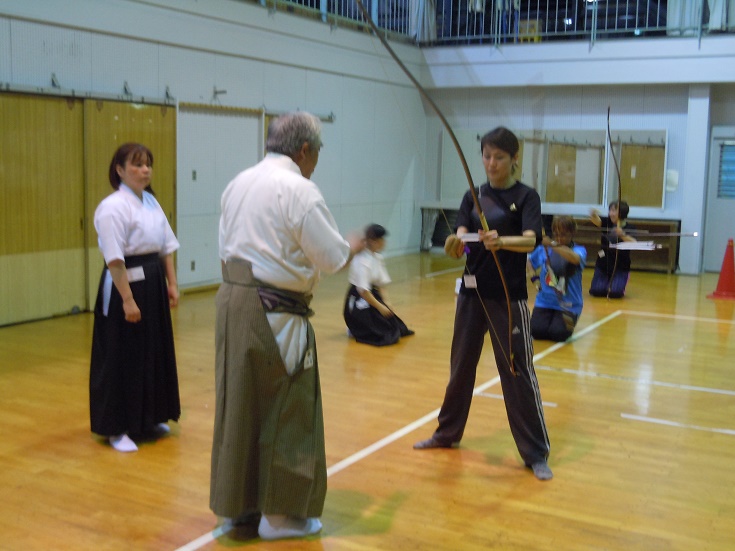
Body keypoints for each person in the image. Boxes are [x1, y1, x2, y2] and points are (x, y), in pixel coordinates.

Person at [210, 111, 364, 540]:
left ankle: (238, 507)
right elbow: (332, 258)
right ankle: (281, 516)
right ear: (304, 150)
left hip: (233, 302)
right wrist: (354, 244)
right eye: (318, 152)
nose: (316, 161)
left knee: (239, 404)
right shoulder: (299, 189)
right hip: (275, 310)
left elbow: (226, 248)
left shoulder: (238, 183)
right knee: (289, 406)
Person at [413, 126, 553, 481]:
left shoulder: (526, 197)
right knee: (460, 366)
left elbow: (531, 241)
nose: (491, 163)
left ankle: (535, 453)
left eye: (499, 157)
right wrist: (455, 244)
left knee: (517, 372)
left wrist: (501, 241)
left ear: (514, 159)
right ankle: (446, 433)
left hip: (507, 296)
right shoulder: (473, 196)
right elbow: (461, 236)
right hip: (471, 294)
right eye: (487, 156)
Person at [90, 143, 181, 453]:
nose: (145, 170)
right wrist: (127, 300)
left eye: (148, 165)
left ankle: (150, 418)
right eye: (137, 165)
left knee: (152, 349)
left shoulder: (151, 202)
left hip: (152, 281)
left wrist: (172, 283)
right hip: (124, 284)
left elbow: (166, 247)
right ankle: (116, 428)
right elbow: (115, 259)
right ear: (119, 170)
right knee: (122, 354)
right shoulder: (112, 207)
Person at [343, 223, 414, 346]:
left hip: (372, 294)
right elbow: (363, 291)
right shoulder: (362, 261)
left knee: (396, 326)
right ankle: (355, 327)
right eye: (382, 239)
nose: (384, 242)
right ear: (374, 241)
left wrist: (387, 303)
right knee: (383, 333)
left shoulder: (377, 258)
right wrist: (380, 307)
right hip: (359, 298)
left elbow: (381, 284)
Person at [528, 215, 586, 342]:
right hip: (545, 302)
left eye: (563, 235)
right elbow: (530, 261)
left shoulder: (579, 250)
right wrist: (534, 278)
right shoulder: (543, 249)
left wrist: (552, 244)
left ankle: (568, 320)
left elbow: (575, 259)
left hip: (569, 305)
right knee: (536, 331)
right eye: (556, 234)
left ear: (572, 233)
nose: (559, 238)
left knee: (559, 334)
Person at [588, 200, 637, 298]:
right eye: (610, 210)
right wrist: (593, 214)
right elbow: (596, 221)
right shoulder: (607, 222)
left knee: (615, 293)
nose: (611, 213)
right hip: (603, 264)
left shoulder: (630, 227)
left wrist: (622, 235)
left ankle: (621, 280)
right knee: (596, 291)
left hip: (620, 266)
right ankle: (607, 281)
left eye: (614, 211)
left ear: (622, 213)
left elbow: (634, 243)